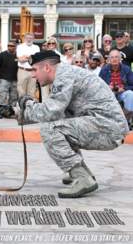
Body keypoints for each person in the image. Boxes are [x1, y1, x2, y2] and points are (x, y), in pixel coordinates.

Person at [11, 50, 128, 198]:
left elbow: (50, 112)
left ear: (47, 67)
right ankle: (81, 173)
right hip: (104, 124)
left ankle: (81, 177)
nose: (33, 75)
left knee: (50, 130)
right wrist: (17, 113)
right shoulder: (65, 74)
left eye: (35, 70)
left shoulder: (64, 76)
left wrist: (27, 105)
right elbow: (57, 113)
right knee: (58, 125)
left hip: (108, 128)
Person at [99, 49, 133, 125]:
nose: (114, 59)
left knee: (130, 94)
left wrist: (124, 88)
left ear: (120, 59)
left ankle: (125, 121)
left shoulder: (127, 69)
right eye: (112, 57)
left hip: (122, 92)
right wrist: (107, 87)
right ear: (109, 59)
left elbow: (132, 84)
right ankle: (109, 122)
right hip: (109, 93)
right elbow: (99, 85)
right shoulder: (104, 70)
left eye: (116, 57)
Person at [0, 41, 18, 107]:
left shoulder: (18, 55)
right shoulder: (2, 55)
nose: (10, 47)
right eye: (8, 46)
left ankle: (12, 111)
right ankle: (1, 111)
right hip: (4, 79)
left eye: (12, 46)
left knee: (14, 97)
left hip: (15, 79)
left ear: (15, 47)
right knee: (2, 96)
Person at [16, 32, 40, 98]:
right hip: (23, 71)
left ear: (33, 39)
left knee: (32, 93)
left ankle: (30, 107)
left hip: (33, 71)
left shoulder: (36, 47)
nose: (29, 39)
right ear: (24, 38)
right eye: (27, 38)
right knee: (21, 92)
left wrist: (26, 57)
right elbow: (20, 60)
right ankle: (22, 108)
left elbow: (37, 60)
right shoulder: (20, 47)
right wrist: (31, 57)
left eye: (30, 38)